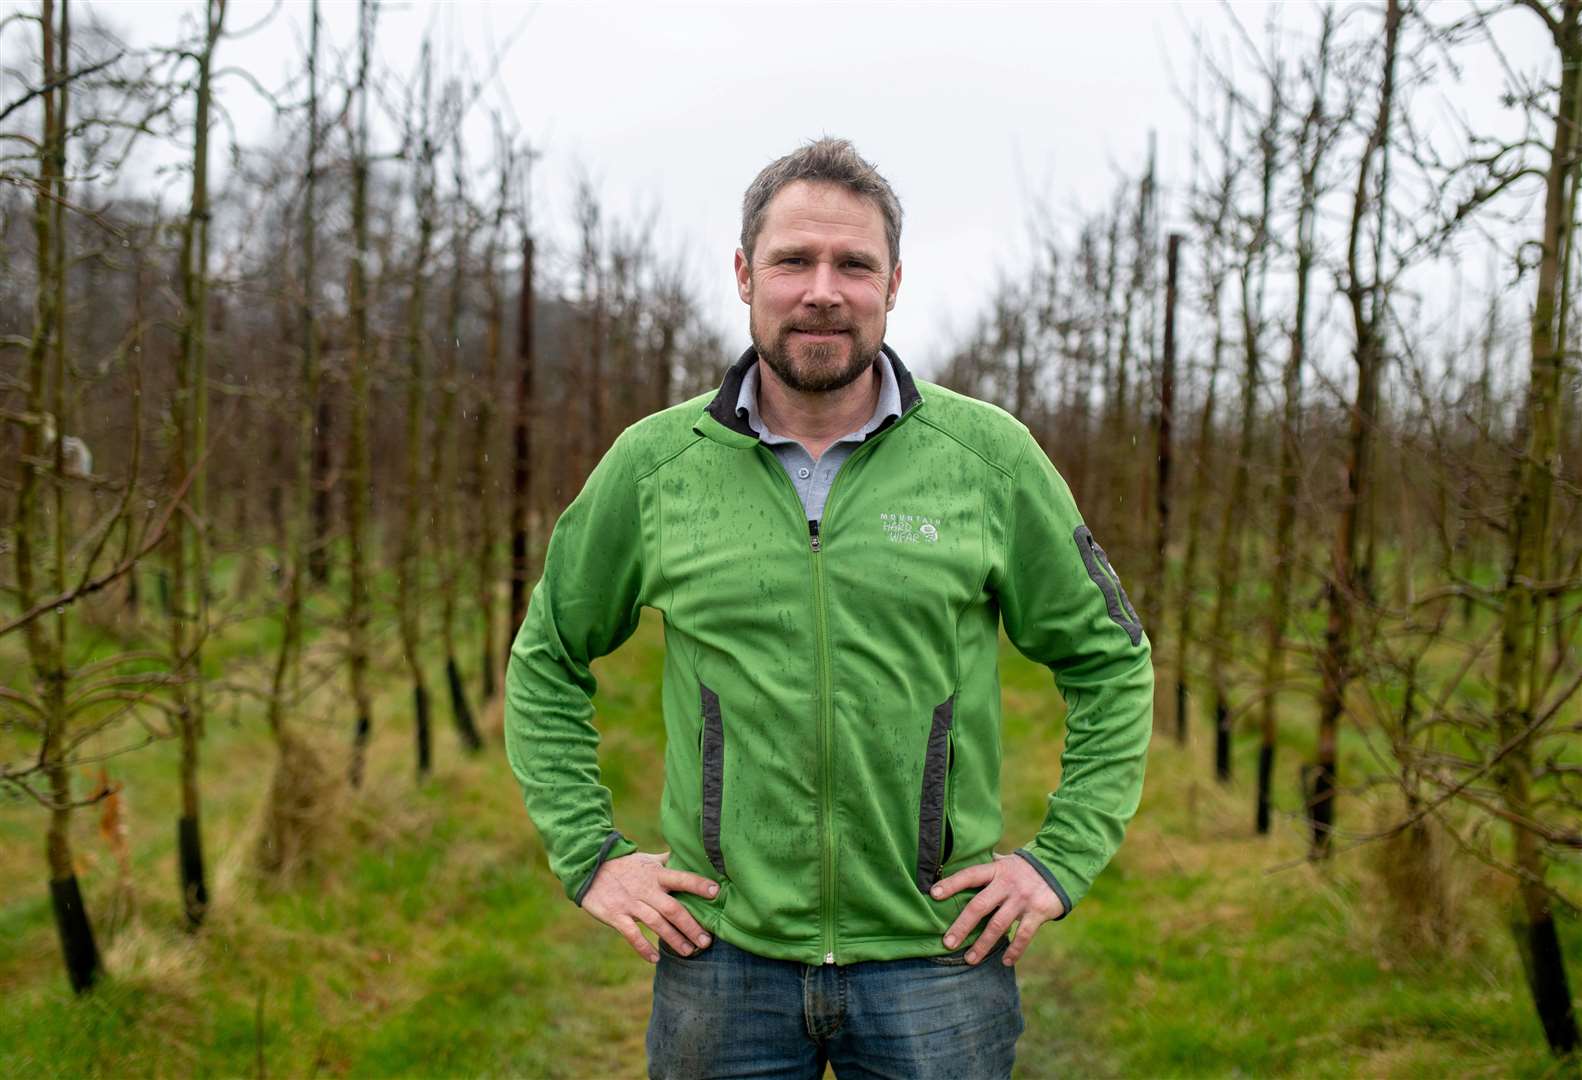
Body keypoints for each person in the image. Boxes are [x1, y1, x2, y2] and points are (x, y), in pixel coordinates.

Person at [505, 137, 1153, 1079]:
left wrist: (1058, 862)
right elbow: (548, 653)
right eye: (793, 261)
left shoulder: (990, 461)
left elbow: (1110, 659)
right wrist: (590, 855)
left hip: (938, 961)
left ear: (893, 284)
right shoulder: (655, 467)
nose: (822, 289)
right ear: (743, 274)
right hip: (721, 962)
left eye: (854, 264)